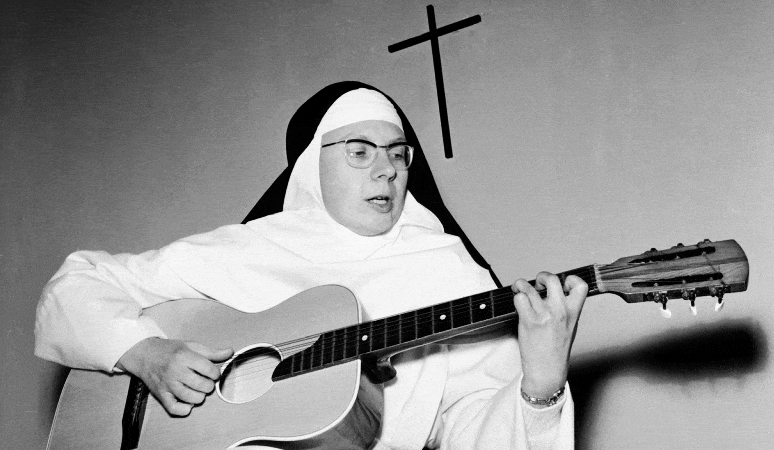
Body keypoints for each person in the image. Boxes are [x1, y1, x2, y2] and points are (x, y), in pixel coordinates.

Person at [35, 82, 587, 449]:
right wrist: (145, 353)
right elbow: (77, 283)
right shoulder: (246, 249)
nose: (386, 170)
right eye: (360, 151)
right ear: (311, 164)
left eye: (398, 153)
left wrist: (540, 388)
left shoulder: (447, 273)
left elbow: (471, 431)